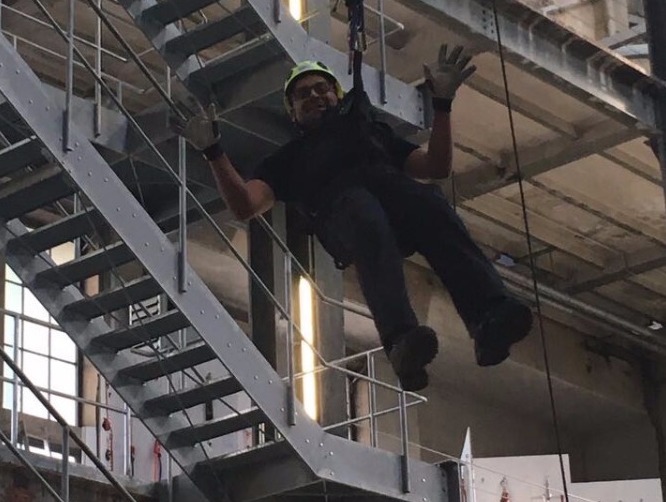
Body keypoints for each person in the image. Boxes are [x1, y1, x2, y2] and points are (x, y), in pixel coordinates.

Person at [175, 45, 532, 391]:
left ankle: (488, 317)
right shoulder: (288, 160)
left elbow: (435, 166)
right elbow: (246, 205)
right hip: (344, 216)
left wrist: (442, 104)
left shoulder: (372, 134)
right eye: (303, 94)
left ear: (337, 95)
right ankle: (400, 339)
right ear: (292, 112)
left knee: (431, 205)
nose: (315, 96)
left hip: (393, 200)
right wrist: (213, 152)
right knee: (364, 213)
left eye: (322, 88)